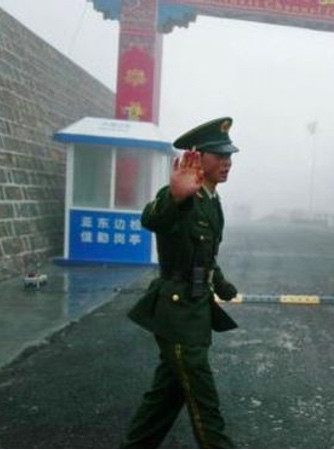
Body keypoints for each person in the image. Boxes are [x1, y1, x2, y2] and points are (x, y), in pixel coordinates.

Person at [122, 117, 241, 448]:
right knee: (204, 402)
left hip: (196, 311)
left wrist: (222, 283)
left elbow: (204, 254)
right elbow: (153, 219)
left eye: (229, 155)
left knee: (166, 397)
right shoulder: (182, 197)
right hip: (178, 314)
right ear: (197, 157)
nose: (227, 162)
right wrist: (175, 197)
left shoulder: (212, 201)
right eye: (219, 155)